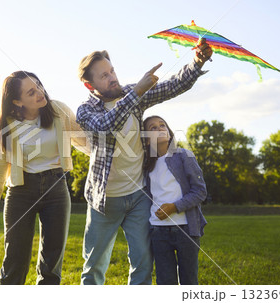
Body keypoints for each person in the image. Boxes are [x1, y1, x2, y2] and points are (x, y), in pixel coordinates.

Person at [76, 42, 212, 285]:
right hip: (103, 200)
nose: (112, 78)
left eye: (112, 71)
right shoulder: (86, 111)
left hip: (138, 196)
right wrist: (136, 93)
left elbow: (172, 87)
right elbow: (107, 126)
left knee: (143, 264)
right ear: (90, 85)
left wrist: (197, 62)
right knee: (93, 267)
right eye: (104, 76)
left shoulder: (131, 94)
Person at [0, 71, 88, 285]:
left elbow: (84, 141)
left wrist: (109, 150)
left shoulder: (59, 111)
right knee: (15, 261)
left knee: (51, 264)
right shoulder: (6, 126)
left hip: (56, 188)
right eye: (31, 92)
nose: (40, 93)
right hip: (20, 192)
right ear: (17, 101)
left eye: (39, 86)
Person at [143, 116, 207, 285]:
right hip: (158, 230)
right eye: (153, 128)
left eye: (162, 125)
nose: (160, 128)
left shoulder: (184, 156)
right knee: (165, 281)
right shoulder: (146, 165)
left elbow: (200, 191)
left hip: (186, 229)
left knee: (189, 280)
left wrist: (174, 207)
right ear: (147, 140)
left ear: (169, 133)